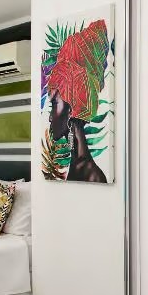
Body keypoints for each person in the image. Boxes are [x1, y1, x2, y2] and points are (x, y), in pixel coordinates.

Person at [44, 19, 109, 183]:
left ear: (72, 109)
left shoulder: (91, 175)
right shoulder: (76, 166)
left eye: (54, 104)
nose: (50, 116)